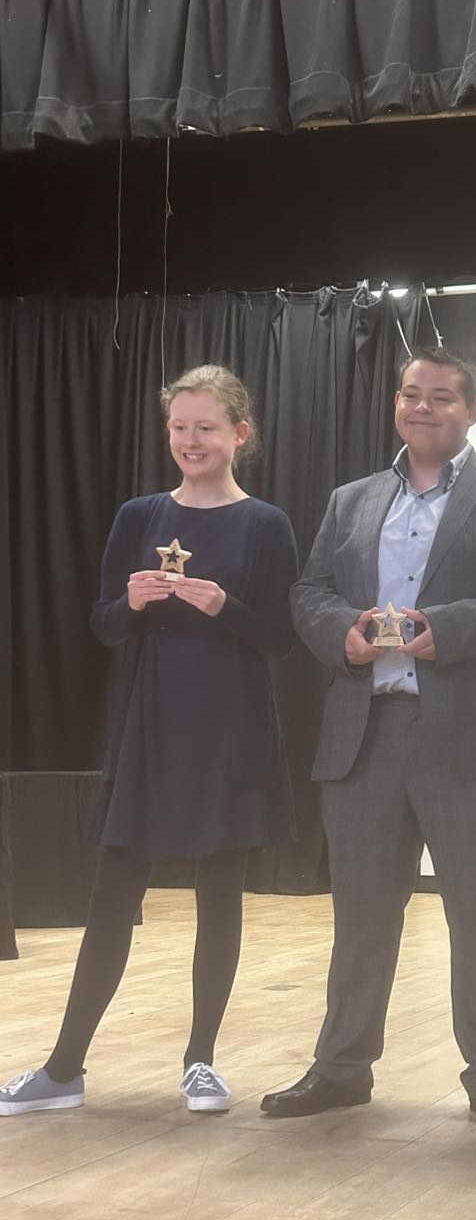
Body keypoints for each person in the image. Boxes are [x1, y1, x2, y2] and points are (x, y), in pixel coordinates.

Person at [262, 345, 476, 1131]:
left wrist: (452, 628)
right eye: (411, 393)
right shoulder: (352, 500)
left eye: (441, 396)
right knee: (360, 918)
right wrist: (343, 632)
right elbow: (310, 592)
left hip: (473, 738)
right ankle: (342, 1068)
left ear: (473, 411)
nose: (422, 407)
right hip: (365, 733)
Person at [0, 365, 298, 1118]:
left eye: (206, 427)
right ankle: (63, 1068)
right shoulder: (140, 514)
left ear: (239, 433)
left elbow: (280, 637)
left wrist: (225, 607)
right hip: (151, 720)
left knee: (219, 894)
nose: (191, 441)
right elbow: (103, 623)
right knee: (113, 892)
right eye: (179, 427)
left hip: (229, 725)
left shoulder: (265, 524)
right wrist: (129, 603)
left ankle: (201, 1061)